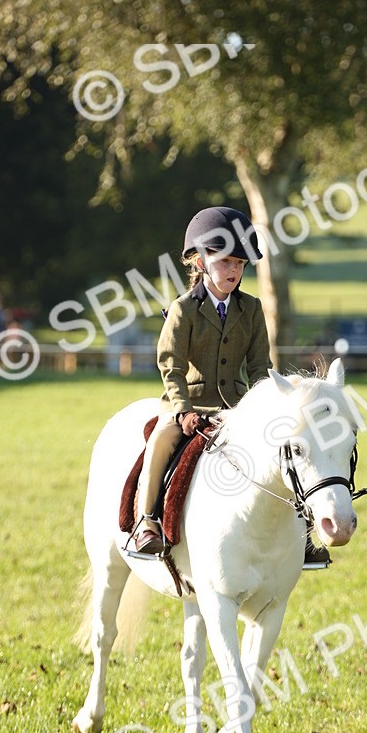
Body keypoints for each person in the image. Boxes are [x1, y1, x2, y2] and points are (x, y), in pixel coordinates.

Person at [132, 205, 272, 554]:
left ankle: (299, 534)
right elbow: (171, 368)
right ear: (200, 262)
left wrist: (265, 407)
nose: (234, 270)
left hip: (237, 407)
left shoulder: (252, 309)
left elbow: (259, 368)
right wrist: (182, 410)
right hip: (188, 406)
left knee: (285, 446)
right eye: (225, 261)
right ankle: (146, 521)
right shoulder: (183, 310)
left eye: (239, 264)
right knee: (161, 440)